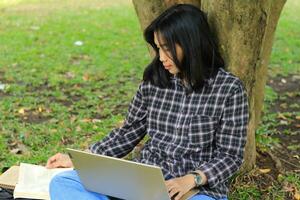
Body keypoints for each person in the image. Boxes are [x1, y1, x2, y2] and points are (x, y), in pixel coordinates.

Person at [46, 4, 249, 200]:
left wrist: (191, 179)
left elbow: (230, 156)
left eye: (167, 48)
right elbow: (127, 132)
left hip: (195, 190)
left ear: (191, 43)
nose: (161, 57)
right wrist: (80, 159)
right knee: (63, 183)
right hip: (145, 182)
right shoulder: (154, 83)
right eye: (158, 48)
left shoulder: (229, 89)